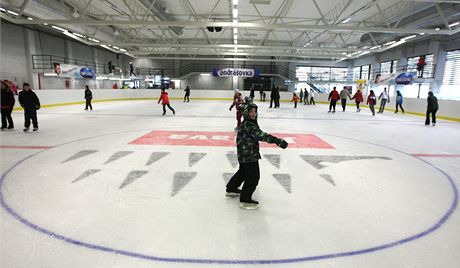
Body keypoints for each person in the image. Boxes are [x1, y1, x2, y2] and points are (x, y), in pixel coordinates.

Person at [226, 102, 288, 210]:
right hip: (249, 155)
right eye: (251, 111)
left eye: (255, 111)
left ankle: (231, 188)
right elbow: (261, 135)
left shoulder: (246, 123)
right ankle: (245, 199)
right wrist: (277, 141)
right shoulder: (249, 125)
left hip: (243, 154)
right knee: (253, 177)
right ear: (246, 113)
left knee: (243, 172)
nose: (254, 114)